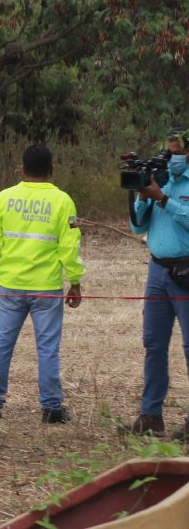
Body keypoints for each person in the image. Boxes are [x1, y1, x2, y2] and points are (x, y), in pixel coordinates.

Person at [0, 144, 83, 424]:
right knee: (48, 348)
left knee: (1, 344)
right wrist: (74, 281)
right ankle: (51, 408)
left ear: (22, 169)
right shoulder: (62, 201)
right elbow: (69, 246)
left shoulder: (4, 198)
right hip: (46, 288)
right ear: (52, 171)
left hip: (11, 285)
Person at [124, 127, 189, 440]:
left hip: (186, 272)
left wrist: (163, 199)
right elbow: (138, 227)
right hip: (158, 272)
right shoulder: (161, 179)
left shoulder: (175, 186)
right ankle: (151, 416)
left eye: (178, 152)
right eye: (169, 151)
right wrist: (142, 195)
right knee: (153, 345)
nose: (172, 158)